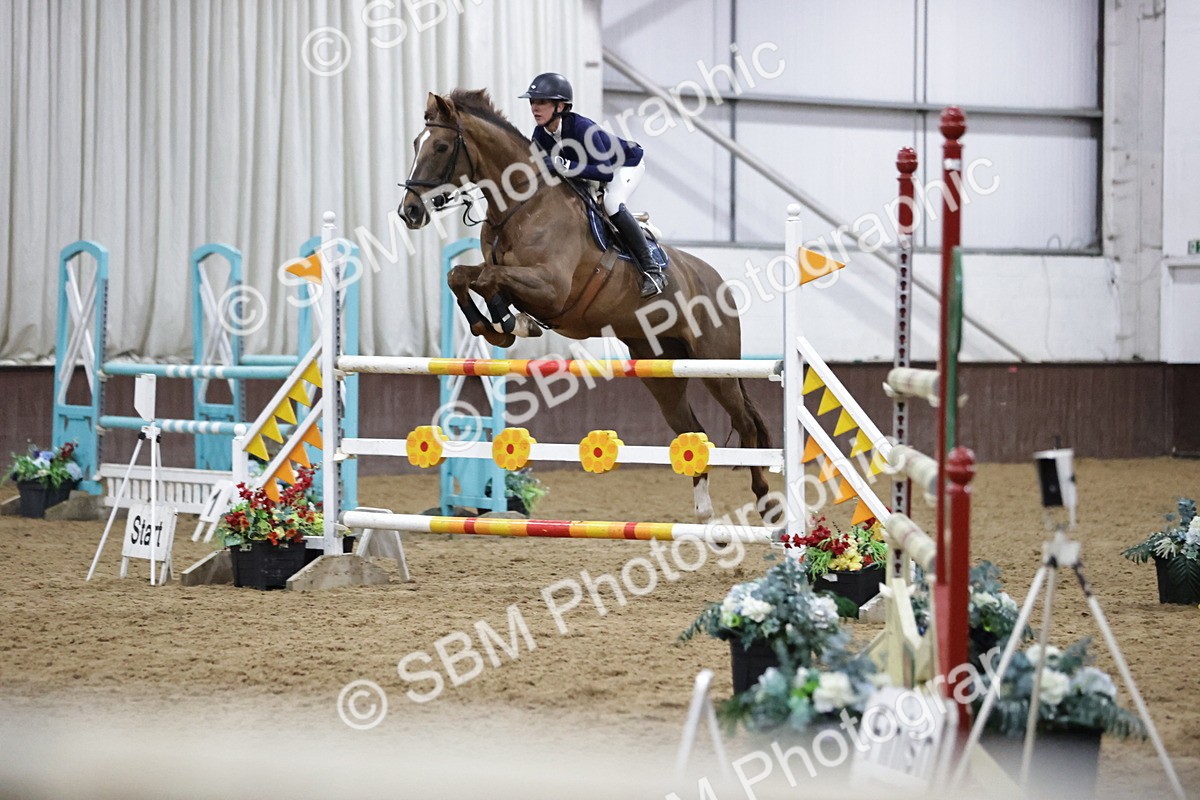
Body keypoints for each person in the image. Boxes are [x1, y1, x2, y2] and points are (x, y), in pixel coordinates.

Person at [520, 72, 665, 298]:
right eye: (532, 102)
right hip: (590, 171)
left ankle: (652, 270)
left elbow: (605, 172)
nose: (535, 108)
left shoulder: (582, 128)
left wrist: (562, 164)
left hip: (624, 165)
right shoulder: (540, 134)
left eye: (542, 102)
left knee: (611, 202)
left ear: (560, 107)